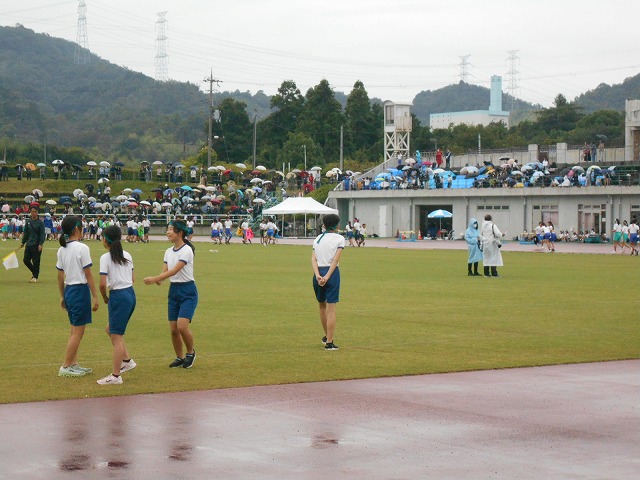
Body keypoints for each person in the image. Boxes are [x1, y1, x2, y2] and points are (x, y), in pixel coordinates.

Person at [144, 220, 198, 369]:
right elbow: (166, 271)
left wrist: (156, 278)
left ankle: (190, 353)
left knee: (182, 326)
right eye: (167, 229)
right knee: (173, 329)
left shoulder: (187, 250)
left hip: (187, 290)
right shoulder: (168, 251)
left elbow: (175, 270)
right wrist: (159, 279)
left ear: (179, 233)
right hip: (174, 290)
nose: (168, 232)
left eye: (170, 230)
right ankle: (179, 357)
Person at [56, 215, 100, 377]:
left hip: (69, 290)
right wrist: (95, 296)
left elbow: (60, 276)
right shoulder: (82, 248)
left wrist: (62, 296)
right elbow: (88, 274)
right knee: (78, 332)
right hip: (80, 291)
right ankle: (66, 365)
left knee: (74, 329)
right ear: (76, 229)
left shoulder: (62, 249)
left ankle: (73, 363)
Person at [97, 225, 137, 385]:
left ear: (106, 240)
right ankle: (127, 361)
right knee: (110, 329)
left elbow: (102, 284)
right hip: (130, 294)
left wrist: (105, 297)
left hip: (118, 296)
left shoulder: (105, 258)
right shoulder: (127, 255)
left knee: (116, 336)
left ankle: (115, 376)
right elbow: (133, 278)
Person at [311, 214, 345, 351]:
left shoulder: (318, 238)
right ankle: (330, 342)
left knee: (321, 305)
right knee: (331, 309)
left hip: (318, 272)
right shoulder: (340, 239)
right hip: (332, 273)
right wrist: (327, 276)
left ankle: (327, 336)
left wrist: (319, 275)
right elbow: (335, 260)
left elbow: (313, 259)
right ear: (337, 225)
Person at [22, 206, 46, 283]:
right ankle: (35, 272)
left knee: (36, 262)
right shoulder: (28, 222)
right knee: (25, 260)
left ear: (37, 212)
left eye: (35, 211)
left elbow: (42, 234)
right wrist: (23, 242)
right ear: (30, 212)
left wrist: (40, 244)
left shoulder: (40, 223)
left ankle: (35, 277)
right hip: (29, 244)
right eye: (32, 211)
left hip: (36, 245)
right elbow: (26, 233)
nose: (34, 213)